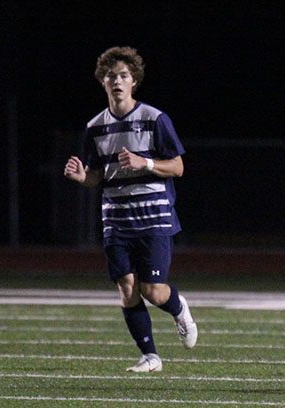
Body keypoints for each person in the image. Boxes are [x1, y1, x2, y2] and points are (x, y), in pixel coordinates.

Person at [63, 46, 197, 372]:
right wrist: (84, 177)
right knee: (125, 286)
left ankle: (179, 308)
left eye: (124, 75)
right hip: (116, 219)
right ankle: (150, 355)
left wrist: (145, 162)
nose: (118, 81)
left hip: (153, 217)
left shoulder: (154, 119)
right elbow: (98, 175)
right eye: (111, 76)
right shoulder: (95, 126)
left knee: (152, 290)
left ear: (134, 81)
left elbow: (177, 167)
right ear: (103, 83)